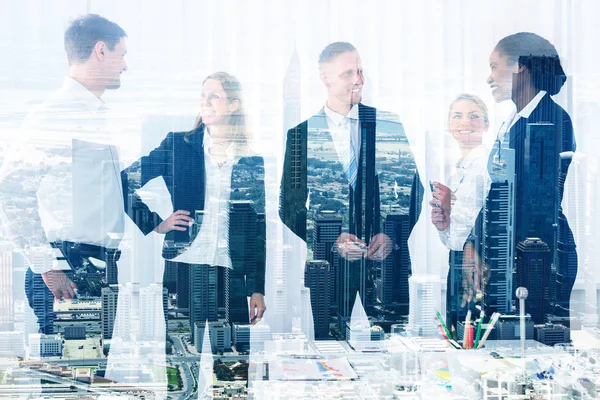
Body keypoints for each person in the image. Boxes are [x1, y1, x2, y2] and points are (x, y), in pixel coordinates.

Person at [432, 32, 577, 326]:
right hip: (510, 251)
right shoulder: (513, 121)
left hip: (538, 257)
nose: (489, 78)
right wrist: (474, 241)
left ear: (520, 67)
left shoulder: (548, 119)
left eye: (494, 67)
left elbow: (528, 201)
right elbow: (498, 194)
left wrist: (478, 246)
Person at [279, 42, 420, 338]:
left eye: (360, 72)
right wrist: (329, 238)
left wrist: (392, 235)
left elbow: (413, 193)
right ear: (325, 78)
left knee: (393, 352)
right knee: (325, 353)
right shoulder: (301, 135)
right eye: (347, 73)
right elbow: (288, 208)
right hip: (326, 274)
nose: (358, 80)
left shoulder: (389, 125)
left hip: (386, 274)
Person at [0, 14, 128, 334]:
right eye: (121, 54)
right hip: (67, 266)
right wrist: (48, 267)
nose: (125, 65)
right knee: (72, 376)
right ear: (101, 51)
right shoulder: (58, 116)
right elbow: (13, 192)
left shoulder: (92, 115)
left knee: (90, 377)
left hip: (91, 265)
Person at [123, 72, 266, 333]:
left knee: (233, 357)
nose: (206, 102)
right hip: (184, 265)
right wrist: (155, 223)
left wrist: (257, 289)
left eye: (214, 96)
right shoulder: (178, 145)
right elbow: (124, 181)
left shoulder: (251, 160)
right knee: (182, 346)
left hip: (232, 273)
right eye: (203, 96)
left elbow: (257, 229)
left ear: (234, 105)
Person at [430, 94, 492, 329]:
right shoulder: (457, 172)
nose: (465, 122)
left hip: (476, 263)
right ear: (449, 124)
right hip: (457, 261)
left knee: (470, 339)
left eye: (474, 116)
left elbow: (479, 225)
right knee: (457, 335)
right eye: (458, 116)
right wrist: (443, 223)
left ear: (486, 125)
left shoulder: (485, 166)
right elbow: (454, 238)